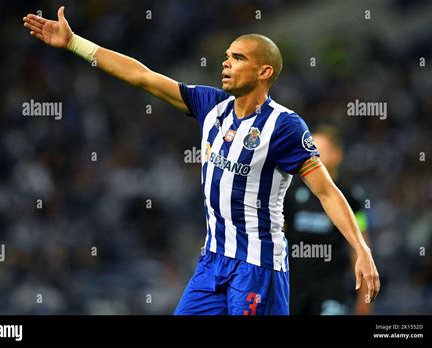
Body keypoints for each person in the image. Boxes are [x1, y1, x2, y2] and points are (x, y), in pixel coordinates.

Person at [23, 6, 380, 315]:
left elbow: (328, 192)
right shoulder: (211, 106)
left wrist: (360, 249)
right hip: (212, 262)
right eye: (226, 55)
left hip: (259, 267)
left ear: (264, 72)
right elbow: (142, 76)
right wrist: (74, 43)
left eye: (238, 58)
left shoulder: (284, 127)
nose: (225, 62)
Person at [284, 125, 372, 315]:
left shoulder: (350, 197)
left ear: (336, 155)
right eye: (310, 149)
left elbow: (360, 245)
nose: (312, 156)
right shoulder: (290, 192)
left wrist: (365, 297)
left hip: (331, 289)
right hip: (293, 288)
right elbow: (276, 238)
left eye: (319, 151)